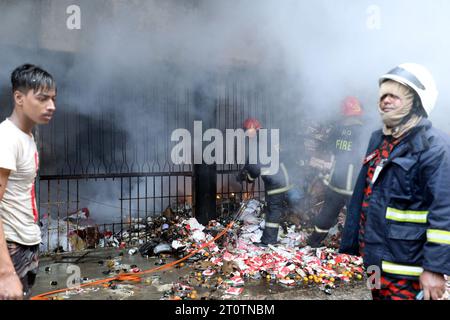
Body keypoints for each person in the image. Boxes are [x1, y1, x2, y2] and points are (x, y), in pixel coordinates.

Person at [340, 63, 449, 300]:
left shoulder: (435, 147)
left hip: (408, 269)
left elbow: (444, 212)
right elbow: (367, 195)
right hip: (374, 262)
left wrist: (434, 268)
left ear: (417, 102)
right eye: (384, 95)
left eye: (395, 96)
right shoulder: (377, 139)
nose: (386, 100)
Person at [0, 64, 56, 299]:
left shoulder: (26, 136)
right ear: (19, 98)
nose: (51, 106)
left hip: (26, 243)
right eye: (42, 99)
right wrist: (5, 273)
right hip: (10, 247)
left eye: (53, 99)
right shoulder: (7, 139)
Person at [307, 96, 366, 247]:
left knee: (327, 213)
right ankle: (351, 250)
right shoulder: (363, 132)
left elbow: (331, 149)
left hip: (336, 180)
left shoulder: (337, 130)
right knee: (355, 218)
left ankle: (314, 242)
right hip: (354, 184)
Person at [237, 118, 302, 246]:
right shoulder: (269, 137)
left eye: (246, 131)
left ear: (252, 129)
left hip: (276, 182)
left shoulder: (258, 141)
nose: (246, 135)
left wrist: (245, 176)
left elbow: (254, 165)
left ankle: (268, 241)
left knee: (273, 209)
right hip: (284, 178)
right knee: (284, 206)